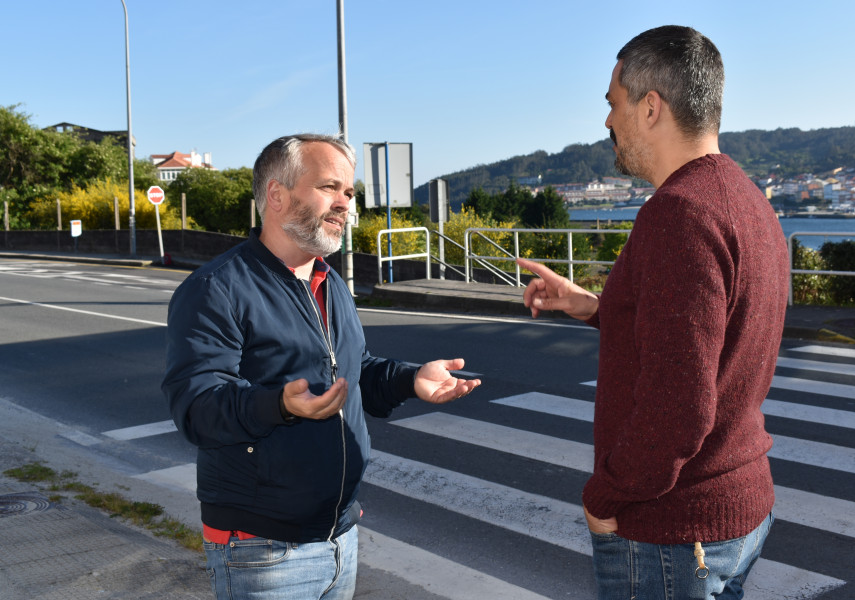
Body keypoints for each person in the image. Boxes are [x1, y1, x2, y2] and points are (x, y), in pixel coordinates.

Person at [518, 25, 788, 600]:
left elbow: (679, 403)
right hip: (735, 506)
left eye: (613, 104)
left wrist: (606, 495)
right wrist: (591, 305)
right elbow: (704, 334)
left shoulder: (679, 213)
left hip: (670, 526)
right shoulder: (746, 199)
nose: (607, 122)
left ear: (650, 107)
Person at [162, 133, 480, 600]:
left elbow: (353, 372)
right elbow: (197, 408)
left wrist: (410, 379)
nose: (345, 204)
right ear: (276, 194)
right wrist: (279, 405)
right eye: (330, 187)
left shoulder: (328, 281)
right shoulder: (216, 288)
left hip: (339, 538)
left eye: (349, 193)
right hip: (262, 549)